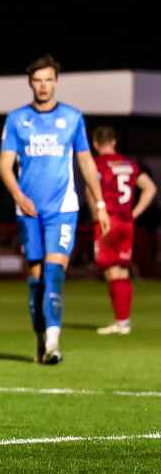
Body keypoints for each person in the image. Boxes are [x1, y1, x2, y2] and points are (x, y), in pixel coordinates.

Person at [0, 54, 110, 365]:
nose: (44, 85)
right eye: (38, 80)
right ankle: (40, 341)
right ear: (30, 83)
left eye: (48, 80)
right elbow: (5, 166)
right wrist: (19, 196)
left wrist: (99, 204)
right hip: (28, 211)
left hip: (62, 209)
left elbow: (86, 162)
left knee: (54, 272)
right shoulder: (17, 119)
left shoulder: (72, 118)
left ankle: (52, 343)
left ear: (56, 82)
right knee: (35, 279)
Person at [86, 126, 157, 335]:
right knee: (123, 271)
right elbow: (150, 188)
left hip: (108, 220)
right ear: (114, 142)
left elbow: (90, 192)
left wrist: (96, 216)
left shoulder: (97, 165)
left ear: (95, 144)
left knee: (111, 272)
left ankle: (121, 321)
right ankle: (124, 321)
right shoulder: (129, 164)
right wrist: (135, 213)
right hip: (127, 222)